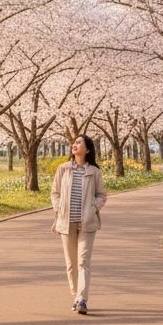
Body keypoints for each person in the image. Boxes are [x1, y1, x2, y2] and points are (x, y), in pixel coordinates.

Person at [51, 134, 107, 315]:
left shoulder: (94, 172)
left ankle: (82, 299)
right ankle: (76, 295)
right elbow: (55, 192)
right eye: (74, 143)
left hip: (87, 224)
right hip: (67, 223)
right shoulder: (63, 169)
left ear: (88, 149)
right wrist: (59, 209)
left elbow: (101, 195)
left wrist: (93, 207)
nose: (74, 145)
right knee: (71, 264)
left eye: (79, 143)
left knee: (83, 261)